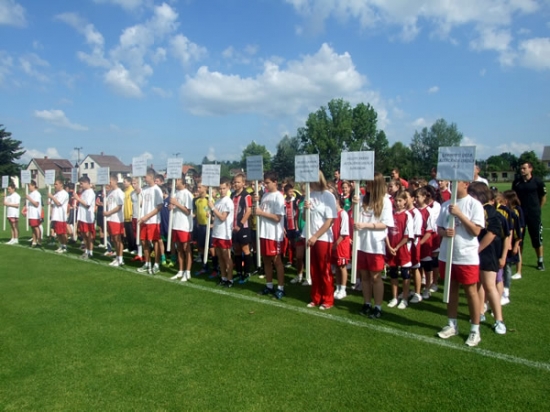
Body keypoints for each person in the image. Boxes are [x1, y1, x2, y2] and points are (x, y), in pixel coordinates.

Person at [436, 180, 485, 347]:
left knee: (471, 292)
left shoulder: (474, 204)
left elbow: (476, 231)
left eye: (457, 182)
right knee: (451, 290)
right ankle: (452, 324)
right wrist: (444, 232)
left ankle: (475, 329)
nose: (453, 185)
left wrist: (459, 214)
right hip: (447, 255)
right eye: (452, 182)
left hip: (466, 256)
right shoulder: (446, 205)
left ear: (466, 184)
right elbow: (439, 228)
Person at [467, 182, 506, 335]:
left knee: (490, 286)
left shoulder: (489, 211)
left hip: (487, 253)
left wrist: (477, 250)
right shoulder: (476, 209)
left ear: (478, 195)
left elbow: (492, 233)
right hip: (476, 253)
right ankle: (480, 312)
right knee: (478, 285)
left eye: (471, 194)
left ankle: (499, 320)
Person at [355, 172, 394, 319]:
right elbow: (355, 217)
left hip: (375, 245)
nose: (366, 186)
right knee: (364, 276)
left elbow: (385, 224)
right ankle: (367, 303)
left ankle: (378, 306)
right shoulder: (362, 199)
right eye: (366, 183)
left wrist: (366, 225)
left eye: (369, 183)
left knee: (376, 277)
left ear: (376, 184)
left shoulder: (386, 201)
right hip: (361, 243)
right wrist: (355, 203)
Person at [304, 172, 337, 310]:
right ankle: (315, 297)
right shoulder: (309, 195)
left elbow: (330, 220)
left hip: (323, 238)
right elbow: (305, 218)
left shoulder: (328, 195)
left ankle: (328, 299)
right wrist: (305, 209)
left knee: (324, 269)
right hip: (310, 237)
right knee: (313, 269)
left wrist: (316, 236)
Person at [255, 171, 286, 300]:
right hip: (264, 233)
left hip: (274, 234)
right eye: (264, 183)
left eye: (268, 183)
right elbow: (260, 211)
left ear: (275, 182)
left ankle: (281, 288)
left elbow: (278, 217)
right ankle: (269, 286)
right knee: (266, 260)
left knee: (277, 262)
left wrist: (261, 213)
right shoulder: (265, 195)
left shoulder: (279, 197)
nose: (266, 185)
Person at [512, 161, 546, 270]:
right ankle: (518, 260)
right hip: (520, 214)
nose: (522, 170)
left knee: (536, 238)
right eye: (521, 168)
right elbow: (513, 197)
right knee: (519, 238)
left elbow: (543, 197)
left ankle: (540, 261)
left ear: (530, 169)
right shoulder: (517, 182)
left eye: (524, 168)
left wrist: (537, 209)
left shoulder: (537, 182)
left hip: (533, 215)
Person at [386, 191, 414, 309]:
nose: (397, 203)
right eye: (396, 200)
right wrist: (389, 246)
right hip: (391, 248)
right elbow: (385, 231)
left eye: (400, 201)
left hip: (403, 249)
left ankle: (405, 298)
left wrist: (397, 247)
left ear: (405, 201)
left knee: (405, 274)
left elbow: (407, 235)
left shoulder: (407, 215)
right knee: (393, 273)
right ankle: (394, 297)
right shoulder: (390, 214)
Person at [137, 168, 163, 275]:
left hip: (153, 220)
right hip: (144, 220)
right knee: (144, 242)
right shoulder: (145, 189)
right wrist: (138, 194)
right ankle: (147, 263)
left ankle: (156, 264)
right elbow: (141, 203)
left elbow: (159, 206)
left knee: (155, 241)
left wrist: (147, 216)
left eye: (145, 176)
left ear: (151, 177)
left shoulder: (157, 190)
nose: (144, 178)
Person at [208, 177, 234, 287]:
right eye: (220, 188)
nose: (221, 190)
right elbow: (217, 217)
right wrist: (211, 215)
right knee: (220, 257)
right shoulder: (218, 201)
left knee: (226, 257)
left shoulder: (228, 202)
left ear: (228, 188)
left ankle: (230, 279)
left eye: (224, 188)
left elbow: (223, 217)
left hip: (225, 233)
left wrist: (213, 208)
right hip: (216, 232)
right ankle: (223, 277)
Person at [169, 174, 194, 282]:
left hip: (184, 225)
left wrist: (176, 204)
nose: (176, 181)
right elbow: (172, 206)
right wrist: (171, 206)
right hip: (175, 224)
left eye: (178, 180)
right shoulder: (174, 193)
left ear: (183, 182)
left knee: (186, 248)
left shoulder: (187, 194)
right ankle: (180, 270)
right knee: (179, 248)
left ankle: (187, 271)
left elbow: (188, 211)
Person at [231, 173, 253, 283]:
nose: (236, 184)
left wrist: (240, 224)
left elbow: (248, 211)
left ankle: (247, 272)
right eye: (234, 182)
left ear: (243, 183)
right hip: (233, 227)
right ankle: (239, 272)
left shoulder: (246, 195)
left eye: (238, 182)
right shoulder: (232, 195)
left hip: (243, 227)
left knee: (245, 249)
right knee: (237, 250)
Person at [331, 187, 350, 300]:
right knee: (337, 267)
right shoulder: (333, 214)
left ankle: (343, 289)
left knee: (342, 266)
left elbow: (344, 233)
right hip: (334, 244)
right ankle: (337, 287)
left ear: (337, 201)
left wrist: (336, 244)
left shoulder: (343, 214)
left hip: (341, 245)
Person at [103, 174, 125, 267]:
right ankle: (117, 257)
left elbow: (119, 206)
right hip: (110, 219)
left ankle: (120, 258)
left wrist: (109, 212)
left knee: (117, 239)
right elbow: (108, 203)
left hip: (117, 219)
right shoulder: (111, 192)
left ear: (115, 181)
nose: (109, 183)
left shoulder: (119, 192)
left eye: (110, 182)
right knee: (114, 240)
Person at [74, 176, 96, 259]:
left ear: (87, 183)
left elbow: (87, 204)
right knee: (84, 235)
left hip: (88, 217)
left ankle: (90, 252)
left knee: (88, 235)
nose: (81, 185)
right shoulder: (84, 192)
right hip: (82, 216)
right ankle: (86, 251)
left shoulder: (91, 192)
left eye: (82, 183)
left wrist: (77, 198)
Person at [48, 178, 69, 253]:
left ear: (61, 184)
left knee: (62, 233)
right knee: (58, 233)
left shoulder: (64, 193)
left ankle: (64, 246)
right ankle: (61, 245)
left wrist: (52, 197)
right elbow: (53, 203)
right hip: (56, 216)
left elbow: (59, 203)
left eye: (56, 184)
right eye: (54, 184)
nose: (55, 186)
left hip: (61, 216)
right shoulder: (56, 194)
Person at [26, 180, 42, 248]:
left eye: (29, 186)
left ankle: (39, 241)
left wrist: (29, 198)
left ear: (33, 186)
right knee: (33, 228)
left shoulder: (36, 194)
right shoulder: (31, 194)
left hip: (35, 214)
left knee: (36, 227)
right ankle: (34, 241)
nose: (29, 187)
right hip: (31, 214)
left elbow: (36, 204)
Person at [122, 176, 135, 253]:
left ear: (129, 182)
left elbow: (133, 204)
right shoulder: (124, 191)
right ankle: (129, 247)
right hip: (125, 215)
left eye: (125, 182)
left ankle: (134, 248)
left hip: (130, 215)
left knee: (132, 233)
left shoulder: (132, 191)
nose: (123, 183)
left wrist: (131, 214)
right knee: (127, 233)